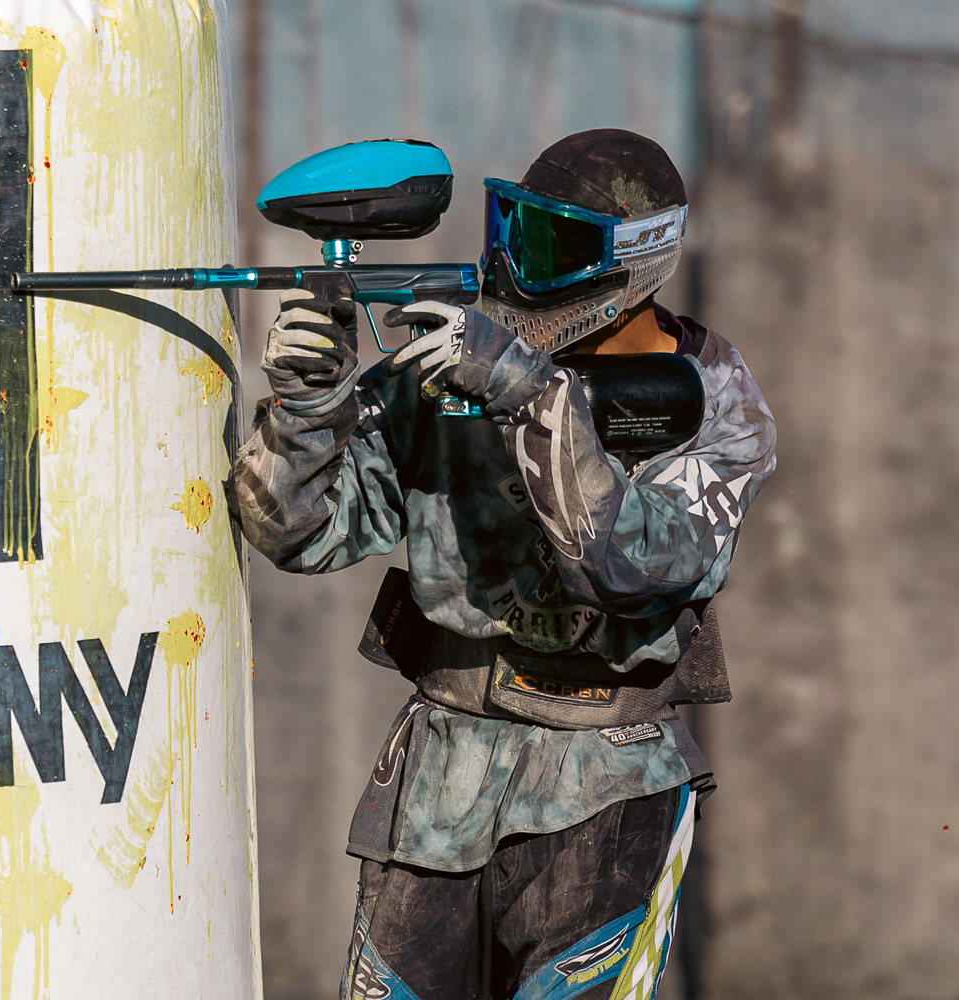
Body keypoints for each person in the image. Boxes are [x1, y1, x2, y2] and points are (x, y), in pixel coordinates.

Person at [232, 129, 776, 1000]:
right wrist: (307, 409)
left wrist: (530, 397)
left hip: (610, 785)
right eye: (513, 230)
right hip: (439, 784)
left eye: (552, 246)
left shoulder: (716, 401)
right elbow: (302, 534)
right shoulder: (448, 366)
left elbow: (638, 567)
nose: (519, 268)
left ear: (635, 261)